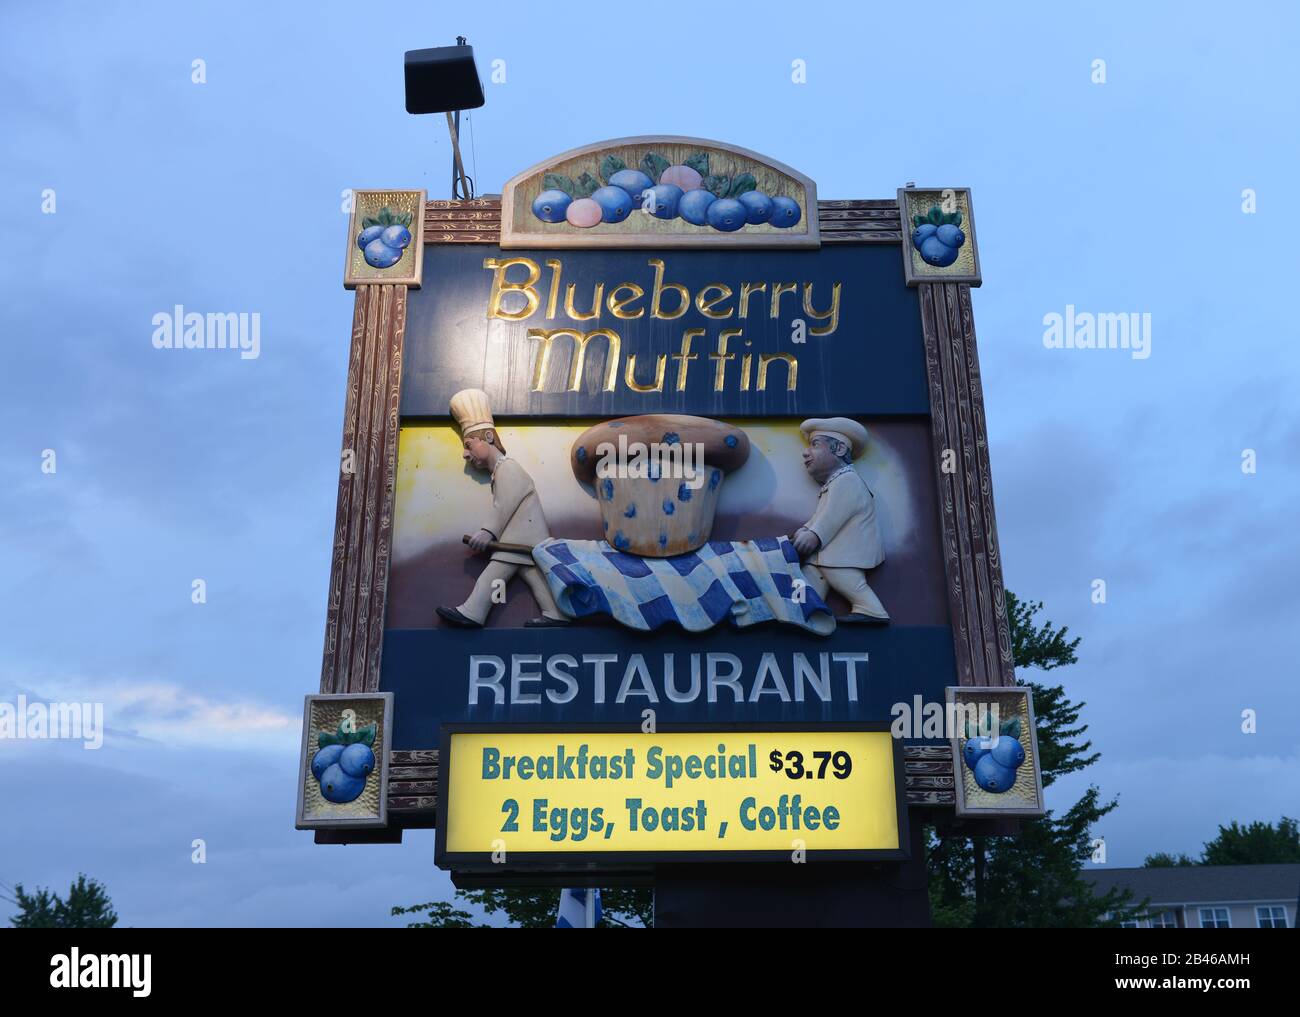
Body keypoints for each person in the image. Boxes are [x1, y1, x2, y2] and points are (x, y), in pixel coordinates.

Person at [435, 388, 570, 628]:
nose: (465, 454)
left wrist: (488, 532)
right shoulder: (499, 472)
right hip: (526, 537)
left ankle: (473, 612)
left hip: (524, 536)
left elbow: (503, 505)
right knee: (531, 573)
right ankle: (557, 613)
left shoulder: (508, 468)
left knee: (496, 570)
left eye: (468, 445)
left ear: (488, 437)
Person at [791, 417, 889, 624]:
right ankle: (803, 610)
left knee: (843, 577)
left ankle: (871, 609)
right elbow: (821, 515)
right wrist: (805, 530)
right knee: (810, 573)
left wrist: (814, 534)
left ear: (840, 449)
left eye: (815, 445)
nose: (806, 452)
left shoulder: (848, 480)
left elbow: (832, 516)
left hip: (847, 551)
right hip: (831, 551)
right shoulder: (835, 482)